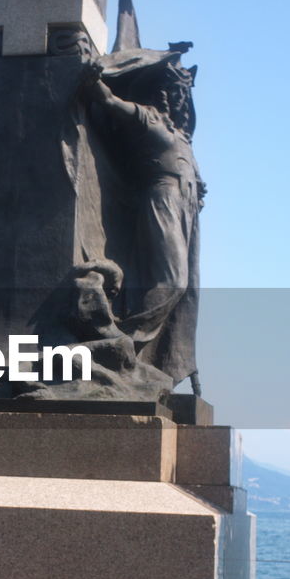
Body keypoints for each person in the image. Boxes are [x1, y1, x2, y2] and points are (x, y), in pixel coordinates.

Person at [84, 54, 206, 393]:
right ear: (162, 95)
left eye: (184, 96)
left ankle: (158, 357)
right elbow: (108, 101)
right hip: (162, 201)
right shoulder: (148, 118)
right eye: (175, 93)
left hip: (187, 209)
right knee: (172, 282)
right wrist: (92, 76)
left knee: (188, 291)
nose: (181, 101)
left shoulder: (182, 138)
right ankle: (121, 344)